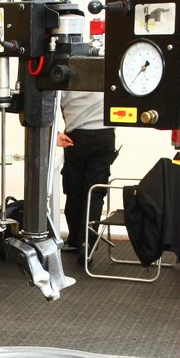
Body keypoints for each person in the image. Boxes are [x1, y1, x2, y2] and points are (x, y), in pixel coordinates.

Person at [56, 89, 119, 255]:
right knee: (95, 191)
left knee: (74, 190)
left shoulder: (66, 71)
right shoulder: (107, 68)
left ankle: (75, 239)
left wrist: (55, 132)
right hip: (105, 134)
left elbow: (53, 103)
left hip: (76, 135)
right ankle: (88, 242)